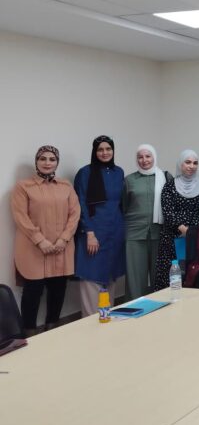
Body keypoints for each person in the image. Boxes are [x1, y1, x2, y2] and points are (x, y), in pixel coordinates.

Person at [11, 145, 80, 335]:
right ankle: (29, 333)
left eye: (52, 159)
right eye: (43, 159)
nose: (47, 163)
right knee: (32, 292)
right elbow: (20, 216)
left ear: (57, 162)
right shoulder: (23, 186)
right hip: (33, 248)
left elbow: (75, 214)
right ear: (36, 162)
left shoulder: (66, 186)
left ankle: (52, 329)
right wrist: (40, 240)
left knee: (58, 290)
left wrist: (64, 239)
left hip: (61, 248)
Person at [73, 135, 126, 316]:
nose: (105, 153)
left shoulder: (119, 172)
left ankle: (107, 319)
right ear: (94, 152)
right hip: (93, 231)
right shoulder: (85, 173)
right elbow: (80, 204)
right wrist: (89, 232)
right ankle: (90, 322)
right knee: (92, 276)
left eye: (108, 149)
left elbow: (121, 203)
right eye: (100, 149)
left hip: (115, 231)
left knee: (110, 275)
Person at [122, 144, 172, 300]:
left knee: (160, 275)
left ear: (154, 157)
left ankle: (162, 307)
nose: (144, 160)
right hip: (134, 234)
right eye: (140, 157)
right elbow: (123, 206)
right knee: (135, 278)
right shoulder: (129, 180)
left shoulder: (166, 177)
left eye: (148, 156)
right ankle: (135, 308)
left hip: (160, 233)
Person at [155, 149, 199, 290]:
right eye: (187, 162)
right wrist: (182, 228)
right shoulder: (170, 185)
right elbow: (167, 211)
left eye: (195, 163)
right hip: (172, 237)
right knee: (172, 275)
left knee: (193, 274)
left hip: (196, 236)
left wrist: (191, 231)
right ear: (180, 164)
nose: (191, 166)